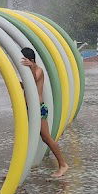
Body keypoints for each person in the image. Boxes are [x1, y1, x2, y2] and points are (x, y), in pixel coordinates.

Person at [20, 46, 69, 179]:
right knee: (24, 139)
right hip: (30, 109)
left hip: (39, 109)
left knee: (47, 138)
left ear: (30, 60)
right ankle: (19, 169)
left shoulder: (38, 70)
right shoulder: (28, 72)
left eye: (25, 60)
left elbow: (35, 79)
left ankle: (63, 164)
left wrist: (31, 66)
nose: (22, 63)